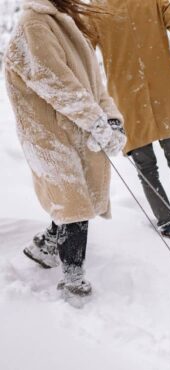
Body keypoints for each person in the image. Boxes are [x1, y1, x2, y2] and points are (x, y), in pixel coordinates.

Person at [4, 0, 126, 303]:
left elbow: (94, 85)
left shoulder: (68, 23)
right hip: (46, 134)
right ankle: (74, 281)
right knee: (74, 203)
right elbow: (56, 83)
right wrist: (94, 120)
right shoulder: (34, 23)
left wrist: (111, 119)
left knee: (79, 197)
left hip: (74, 127)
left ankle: (44, 247)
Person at [87, 0, 170, 249]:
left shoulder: (97, 9)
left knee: (146, 169)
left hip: (127, 100)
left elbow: (83, 55)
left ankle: (168, 226)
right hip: (164, 95)